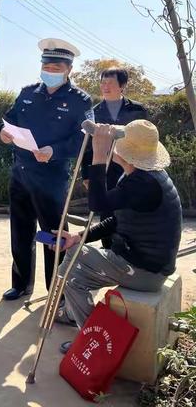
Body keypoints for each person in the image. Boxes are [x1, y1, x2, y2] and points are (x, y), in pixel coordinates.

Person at [56, 120, 182, 352]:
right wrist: (80, 235)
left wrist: (99, 155)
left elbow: (96, 203)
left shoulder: (143, 184)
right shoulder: (143, 175)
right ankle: (72, 312)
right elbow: (118, 219)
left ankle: (93, 341)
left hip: (145, 271)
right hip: (143, 262)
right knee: (76, 254)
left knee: (72, 270)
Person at [0, 38, 94, 301]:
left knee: (55, 237)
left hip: (52, 178)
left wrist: (54, 151)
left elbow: (83, 138)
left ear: (69, 70)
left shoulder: (80, 100)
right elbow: (9, 121)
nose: (50, 72)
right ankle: (20, 284)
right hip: (21, 173)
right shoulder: (28, 93)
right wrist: (4, 133)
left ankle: (57, 290)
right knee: (20, 231)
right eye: (47, 67)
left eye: (56, 68)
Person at [81, 67, 148, 248]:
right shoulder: (93, 113)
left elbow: (147, 140)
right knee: (107, 211)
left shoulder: (137, 109)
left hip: (131, 169)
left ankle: (131, 252)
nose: (105, 86)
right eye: (103, 82)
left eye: (110, 83)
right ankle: (107, 249)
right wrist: (87, 175)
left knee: (131, 212)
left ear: (122, 85)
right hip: (105, 170)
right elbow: (87, 147)